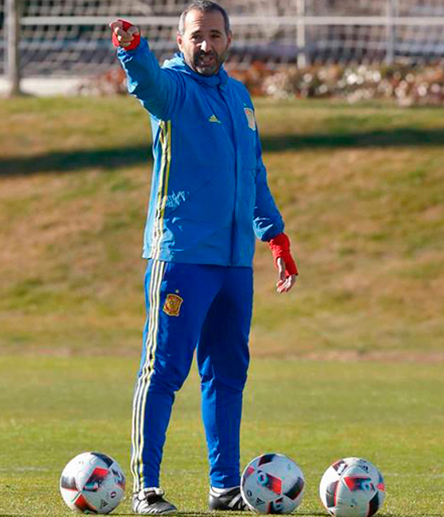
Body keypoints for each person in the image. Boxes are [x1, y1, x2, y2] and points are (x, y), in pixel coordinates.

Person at [109, 1, 299, 514]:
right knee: (165, 370)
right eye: (196, 35)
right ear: (179, 39)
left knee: (227, 373)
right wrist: (133, 51)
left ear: (229, 40)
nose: (205, 45)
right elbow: (147, 83)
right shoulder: (174, 90)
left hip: (234, 263)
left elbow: (253, 173)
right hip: (182, 257)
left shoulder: (239, 98)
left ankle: (224, 486)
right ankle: (146, 488)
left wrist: (275, 237)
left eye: (215, 35)